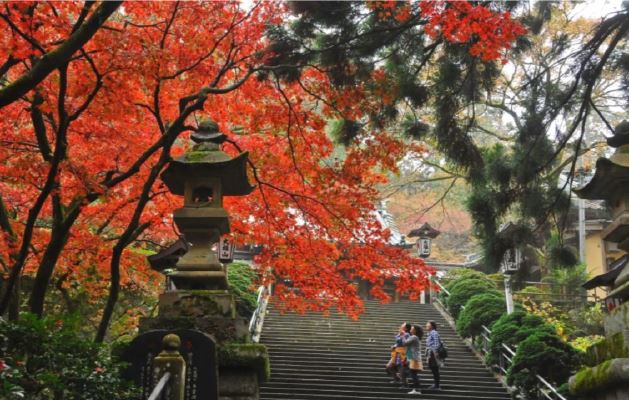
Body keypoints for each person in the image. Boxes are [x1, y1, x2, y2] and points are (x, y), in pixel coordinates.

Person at [401, 324, 424, 395]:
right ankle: (416, 389)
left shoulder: (414, 337)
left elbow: (404, 343)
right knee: (413, 374)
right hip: (415, 358)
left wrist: (403, 335)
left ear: (415, 331)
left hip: (414, 358)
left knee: (413, 374)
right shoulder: (415, 337)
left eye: (412, 328)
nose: (410, 329)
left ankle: (417, 390)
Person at [425, 320, 442, 390]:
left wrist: (435, 353)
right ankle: (436, 384)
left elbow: (436, 344)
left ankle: (437, 386)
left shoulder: (434, 332)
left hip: (433, 353)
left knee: (435, 369)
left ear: (431, 326)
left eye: (427, 324)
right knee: (433, 369)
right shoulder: (430, 333)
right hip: (431, 353)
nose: (426, 325)